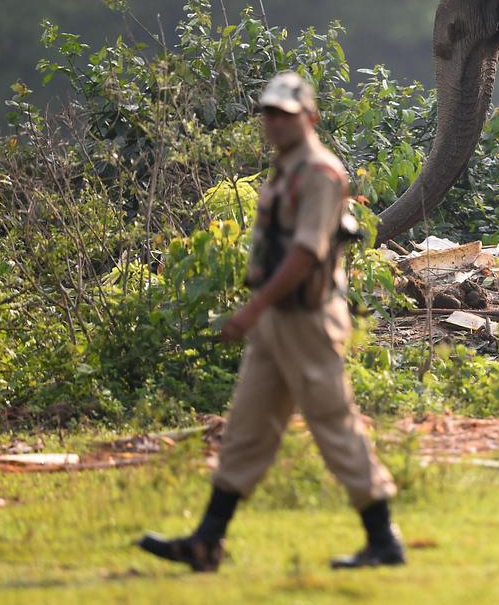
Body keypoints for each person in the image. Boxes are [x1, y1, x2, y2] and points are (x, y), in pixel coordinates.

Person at [138, 72, 403, 572]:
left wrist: (253, 309)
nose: (275, 123)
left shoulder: (320, 173)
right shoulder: (286, 171)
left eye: (285, 113)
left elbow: (307, 251)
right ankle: (206, 542)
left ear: (310, 117)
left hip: (305, 320)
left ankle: (383, 539)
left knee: (333, 423)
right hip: (275, 323)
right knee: (246, 428)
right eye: (269, 114)